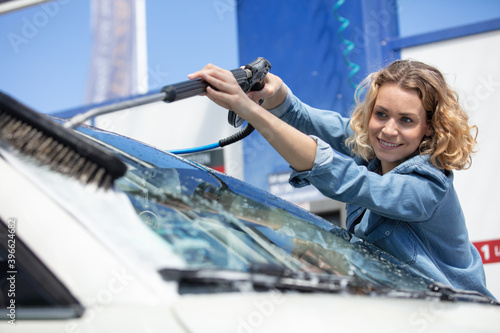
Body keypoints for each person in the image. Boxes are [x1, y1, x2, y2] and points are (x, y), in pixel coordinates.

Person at [188, 59, 495, 298]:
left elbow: (348, 180)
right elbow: (312, 120)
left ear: (429, 127)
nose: (388, 130)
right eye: (381, 114)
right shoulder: (377, 147)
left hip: (461, 317)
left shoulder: (426, 186)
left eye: (406, 120)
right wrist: (275, 94)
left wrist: (249, 110)